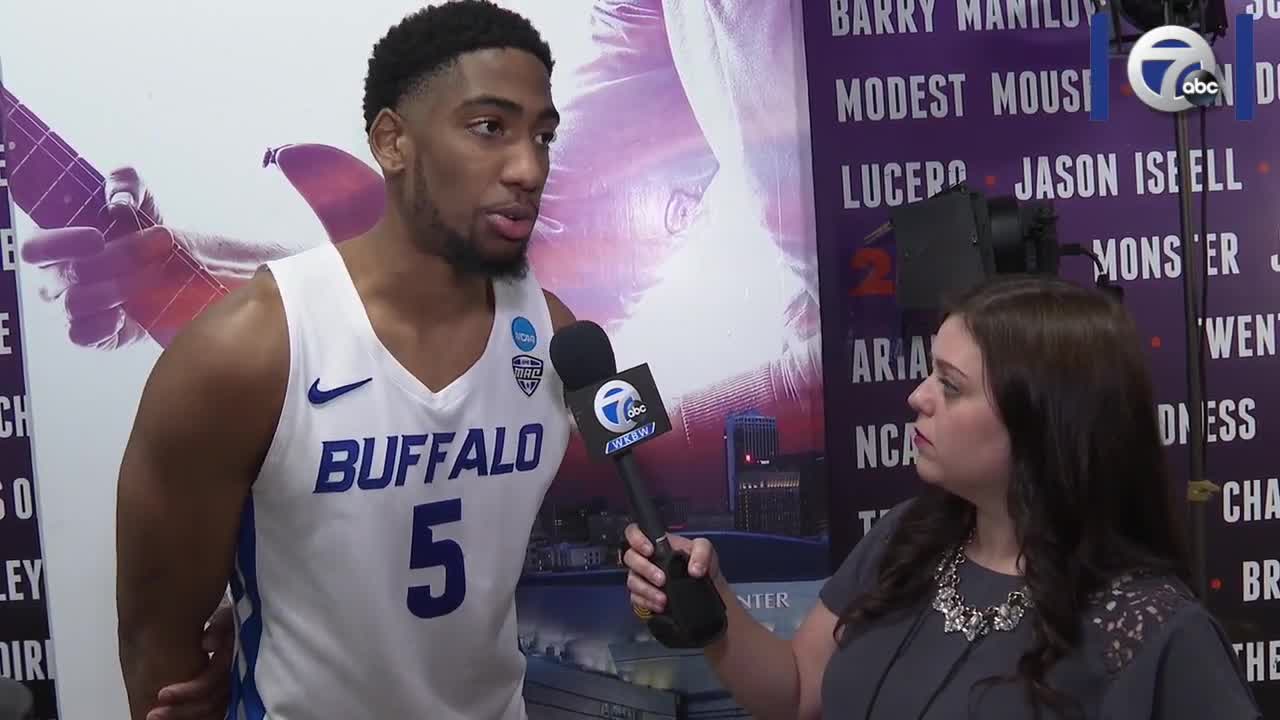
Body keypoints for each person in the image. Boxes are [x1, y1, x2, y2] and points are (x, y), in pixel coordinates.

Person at [113, 2, 576, 719]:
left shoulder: (556, 336)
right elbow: (157, 644)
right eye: (490, 128)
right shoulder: (250, 350)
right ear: (392, 142)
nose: (528, 167)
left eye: (542, 135)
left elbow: (641, 504)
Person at [623, 276, 1262, 719]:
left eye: (951, 386)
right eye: (931, 372)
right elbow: (796, 696)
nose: (918, 397)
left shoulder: (1150, 628)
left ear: (1044, 424)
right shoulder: (906, 538)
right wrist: (715, 609)